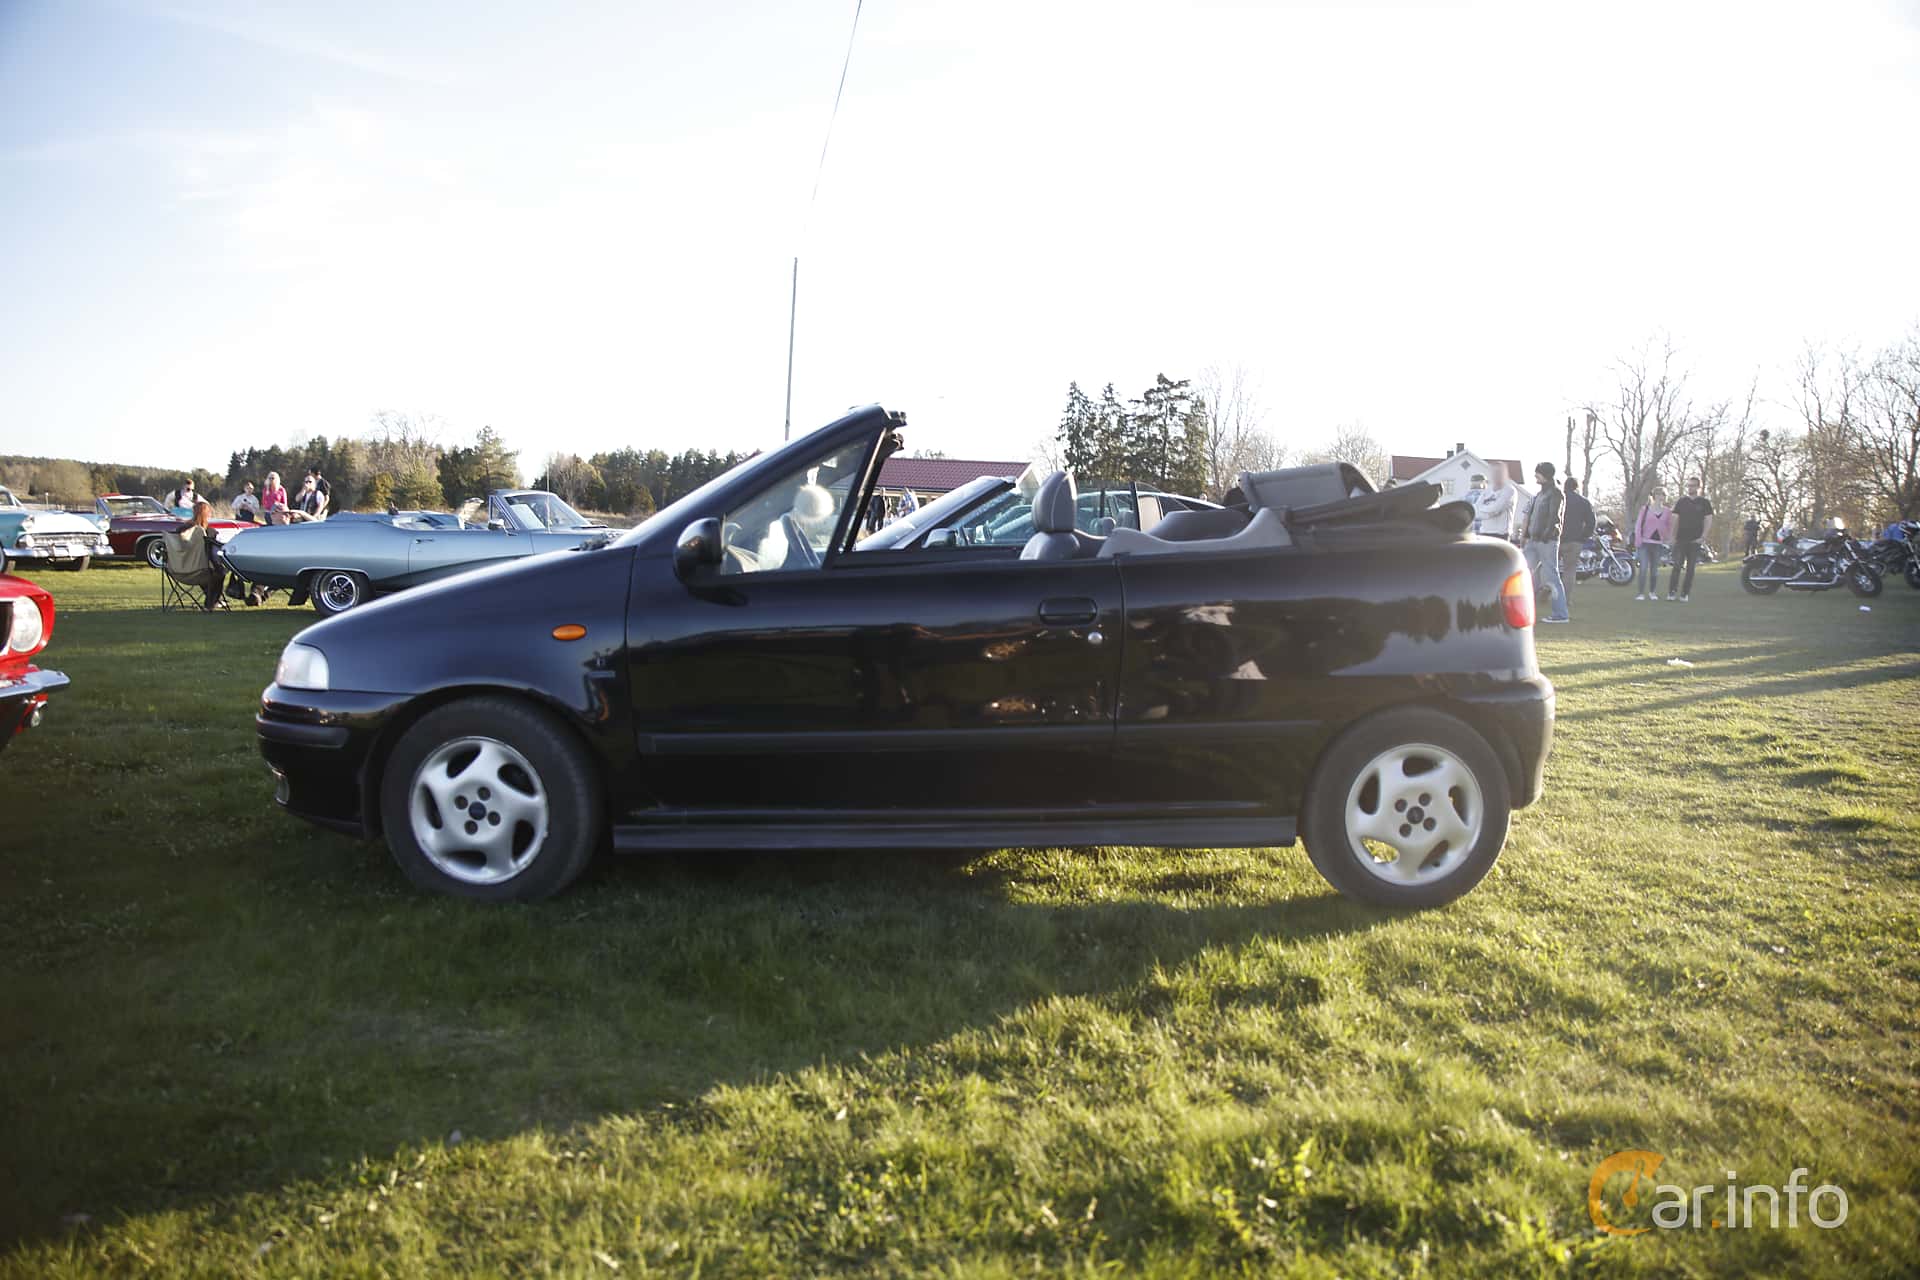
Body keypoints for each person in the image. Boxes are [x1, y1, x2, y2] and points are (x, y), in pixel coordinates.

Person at [1522, 461, 1569, 623]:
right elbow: (1534, 516)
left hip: (1547, 541)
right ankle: (1521, 609)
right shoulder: (1539, 494)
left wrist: (1546, 535)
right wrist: (1528, 535)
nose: (1535, 476)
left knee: (1551, 577)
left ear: (1546, 474)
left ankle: (1561, 614)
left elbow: (1555, 517)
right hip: (1534, 541)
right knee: (1522, 572)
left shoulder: (1556, 493)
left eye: (1538, 473)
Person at [166, 500, 231, 610]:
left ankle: (214, 600)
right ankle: (211, 603)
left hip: (176, 571)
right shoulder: (209, 533)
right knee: (219, 572)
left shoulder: (180, 530)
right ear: (207, 514)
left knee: (206, 569)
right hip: (199, 572)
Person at [1667, 477, 1714, 601]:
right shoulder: (1681, 502)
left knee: (1691, 568)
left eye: (1693, 486)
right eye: (1689, 485)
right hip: (1681, 539)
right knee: (1677, 565)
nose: (1690, 488)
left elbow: (1708, 520)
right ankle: (1672, 592)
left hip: (1695, 541)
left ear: (1698, 487)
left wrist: (1703, 536)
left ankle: (1684, 593)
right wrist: (1672, 536)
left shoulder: (1704, 503)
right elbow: (1675, 519)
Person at [1632, 485, 1674, 600]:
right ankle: (1640, 593)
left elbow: (1670, 526)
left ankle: (1652, 592)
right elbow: (1638, 525)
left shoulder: (1667, 512)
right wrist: (1638, 541)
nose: (1661, 497)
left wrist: (1668, 538)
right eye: (1659, 494)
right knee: (1643, 568)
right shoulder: (1645, 509)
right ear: (1654, 496)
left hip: (1658, 544)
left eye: (1663, 495)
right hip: (1644, 543)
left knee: (1655, 570)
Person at [1560, 475, 1595, 590]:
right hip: (1575, 540)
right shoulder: (1584, 502)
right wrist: (1584, 536)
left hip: (1557, 538)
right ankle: (1566, 598)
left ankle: (1546, 589)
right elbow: (1591, 522)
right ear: (1576, 487)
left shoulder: (1559, 499)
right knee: (1569, 570)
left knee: (1550, 567)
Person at [1468, 469, 1516, 540]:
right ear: (1483, 482)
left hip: (1473, 534)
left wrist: (1483, 509)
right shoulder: (1485, 492)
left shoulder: (1464, 497)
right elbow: (1476, 511)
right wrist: (1490, 513)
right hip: (1483, 532)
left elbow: (1495, 509)